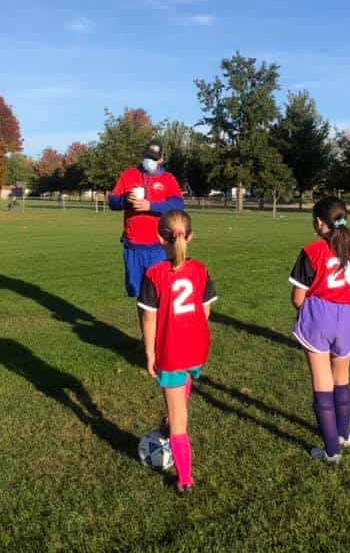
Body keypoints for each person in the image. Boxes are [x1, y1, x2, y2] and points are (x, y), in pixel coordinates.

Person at [137, 210, 217, 493]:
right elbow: (205, 311)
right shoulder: (201, 270)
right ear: (190, 237)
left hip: (172, 353)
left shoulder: (154, 275)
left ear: (160, 238)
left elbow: (149, 319)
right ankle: (171, 418)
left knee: (179, 422)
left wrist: (150, 352)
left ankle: (185, 479)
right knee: (182, 393)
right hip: (197, 348)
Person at [288, 197, 350, 465]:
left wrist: (307, 312)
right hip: (348, 316)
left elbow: (298, 297)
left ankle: (331, 450)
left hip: (319, 315)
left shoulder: (312, 251)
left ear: (320, 223)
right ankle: (343, 434)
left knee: (322, 381)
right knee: (342, 377)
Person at [108, 141, 185, 315]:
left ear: (162, 159)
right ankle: (145, 340)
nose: (149, 161)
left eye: (153, 158)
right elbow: (112, 201)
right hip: (133, 246)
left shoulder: (168, 179)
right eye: (147, 157)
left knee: (157, 294)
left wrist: (150, 206)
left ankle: (159, 339)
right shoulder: (129, 174)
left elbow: (178, 204)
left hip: (159, 247)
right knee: (139, 295)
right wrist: (125, 200)